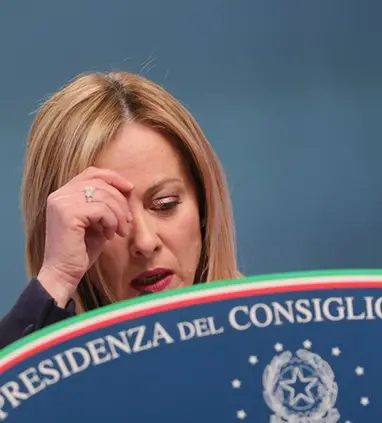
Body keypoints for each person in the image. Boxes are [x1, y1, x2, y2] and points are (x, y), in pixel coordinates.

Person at [0, 71, 241, 350]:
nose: (145, 242)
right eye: (108, 216)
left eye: (165, 204)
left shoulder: (277, 337)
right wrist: (58, 277)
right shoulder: (58, 380)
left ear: (203, 206)